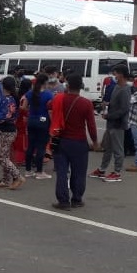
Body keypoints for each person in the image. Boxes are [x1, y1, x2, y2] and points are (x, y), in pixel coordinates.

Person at [51, 74, 99, 209]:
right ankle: (77, 199)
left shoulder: (59, 99)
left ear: (67, 86)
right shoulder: (86, 103)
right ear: (81, 87)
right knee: (79, 172)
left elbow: (49, 105)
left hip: (62, 141)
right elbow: (91, 125)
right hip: (79, 142)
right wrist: (95, 142)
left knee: (62, 172)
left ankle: (63, 201)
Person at [90, 64, 131, 183]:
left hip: (118, 123)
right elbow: (116, 104)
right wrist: (107, 105)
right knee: (107, 148)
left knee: (118, 149)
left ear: (122, 74)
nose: (114, 76)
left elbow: (124, 109)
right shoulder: (117, 87)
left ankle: (117, 172)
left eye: (116, 73)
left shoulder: (125, 89)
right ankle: (102, 169)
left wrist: (109, 116)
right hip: (111, 123)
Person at [0, 76, 23, 189]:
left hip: (6, 130)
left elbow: (3, 117)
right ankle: (6, 179)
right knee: (4, 155)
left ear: (3, 86)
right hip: (8, 130)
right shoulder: (11, 98)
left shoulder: (7, 100)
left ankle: (17, 176)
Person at [21, 73, 53, 179]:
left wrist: (30, 112)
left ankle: (28, 170)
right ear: (45, 83)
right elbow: (50, 111)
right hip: (43, 122)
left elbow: (23, 107)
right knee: (41, 147)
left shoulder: (30, 93)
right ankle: (39, 172)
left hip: (31, 121)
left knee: (31, 146)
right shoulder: (48, 95)